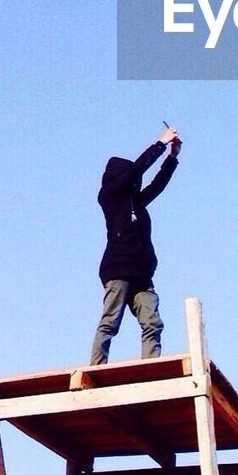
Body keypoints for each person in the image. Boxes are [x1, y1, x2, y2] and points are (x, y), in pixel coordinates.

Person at [89, 124, 182, 365]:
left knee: (152, 322)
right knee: (110, 321)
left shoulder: (137, 202)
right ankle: (96, 367)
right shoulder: (110, 196)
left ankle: (150, 367)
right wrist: (160, 144)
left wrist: (172, 157)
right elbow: (136, 171)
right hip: (119, 268)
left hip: (141, 272)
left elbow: (157, 185)